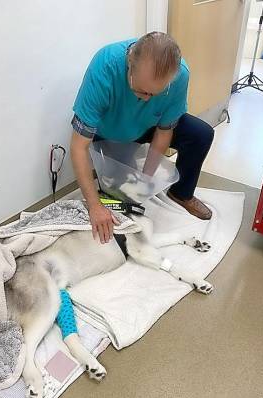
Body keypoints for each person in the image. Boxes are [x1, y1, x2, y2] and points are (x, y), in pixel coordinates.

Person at [70, 32, 214, 244]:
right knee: (121, 197)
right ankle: (110, 186)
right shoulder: (105, 66)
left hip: (149, 125)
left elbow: (165, 130)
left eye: (155, 94)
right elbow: (78, 147)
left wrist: (145, 179)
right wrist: (95, 206)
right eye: (141, 91)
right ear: (130, 64)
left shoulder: (180, 75)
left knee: (201, 134)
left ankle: (181, 193)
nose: (146, 99)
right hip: (111, 131)